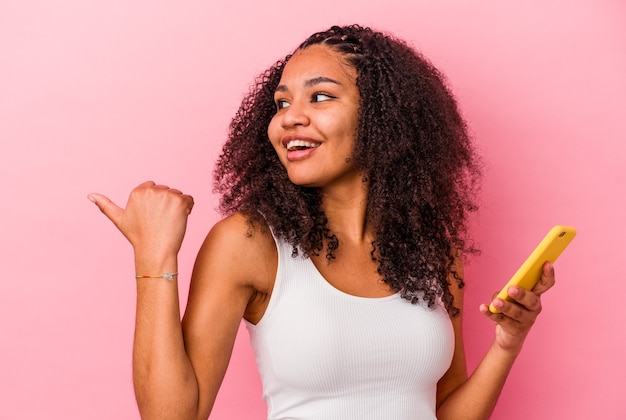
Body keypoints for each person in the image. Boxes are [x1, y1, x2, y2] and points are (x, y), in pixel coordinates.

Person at [88, 24, 555, 420]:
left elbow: (443, 409)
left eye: (320, 96)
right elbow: (174, 416)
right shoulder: (249, 243)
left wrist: (507, 344)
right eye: (281, 103)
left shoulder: (429, 248)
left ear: (382, 117)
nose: (291, 118)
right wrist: (154, 256)